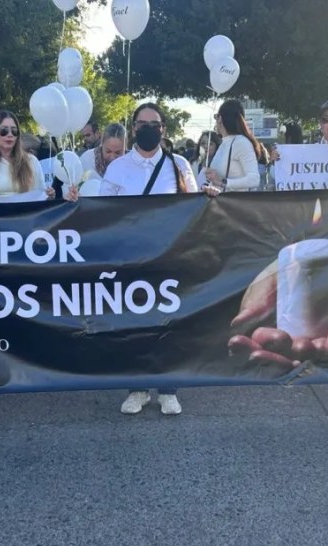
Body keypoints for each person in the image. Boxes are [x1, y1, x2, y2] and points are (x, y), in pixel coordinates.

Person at [97, 102, 198, 415]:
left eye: (154, 123)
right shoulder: (117, 168)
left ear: (163, 129)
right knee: (134, 323)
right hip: (131, 259)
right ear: (134, 128)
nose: (149, 128)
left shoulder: (179, 165)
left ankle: (168, 389)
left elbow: (194, 208)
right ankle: (137, 389)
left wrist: (211, 197)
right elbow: (101, 213)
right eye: (142, 124)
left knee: (169, 322)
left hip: (169, 257)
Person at [0, 111, 48, 203]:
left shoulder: (31, 162)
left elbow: (41, 195)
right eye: (4, 131)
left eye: (14, 131)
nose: (10, 135)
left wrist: (50, 195)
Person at [199, 99, 261, 192]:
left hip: (235, 204)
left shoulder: (241, 142)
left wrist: (222, 182)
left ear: (221, 119)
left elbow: (254, 179)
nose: (215, 120)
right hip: (221, 204)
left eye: (216, 116)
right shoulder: (225, 142)